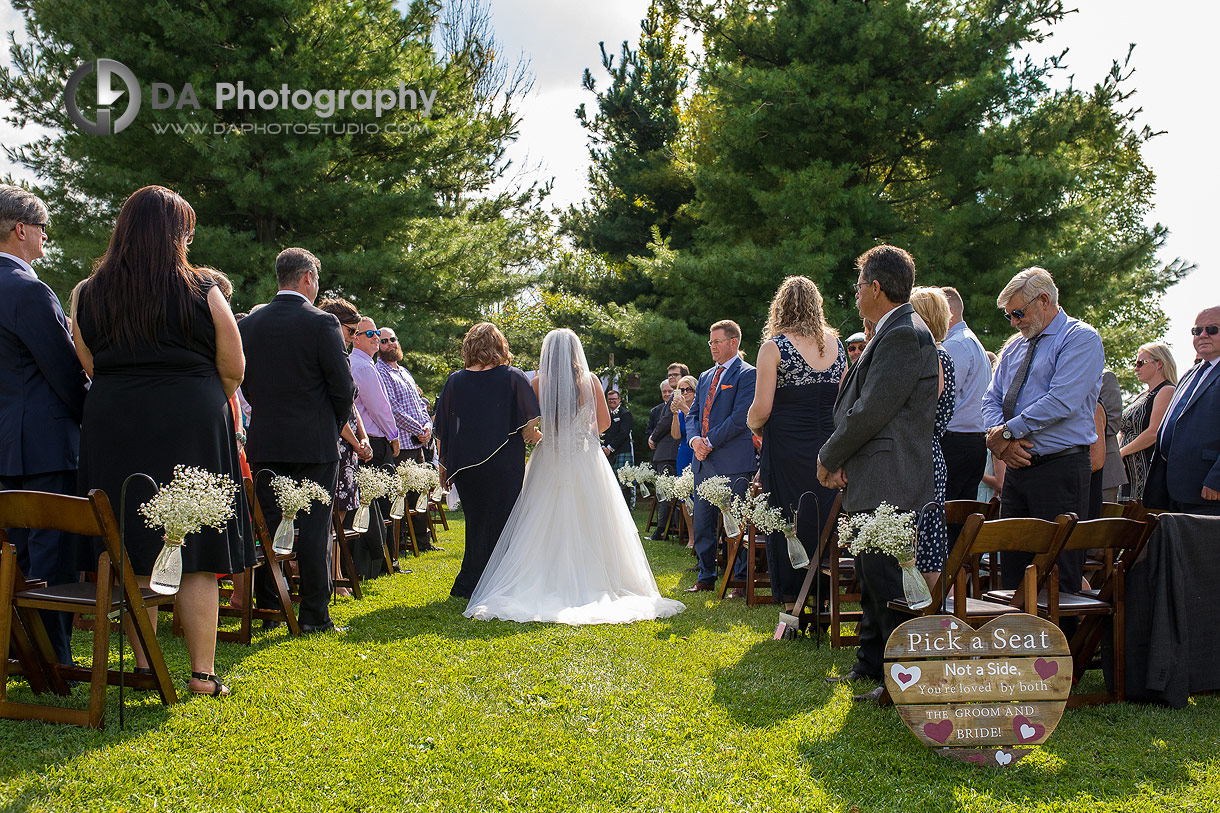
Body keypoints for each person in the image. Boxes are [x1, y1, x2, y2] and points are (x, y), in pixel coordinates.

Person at [72, 185, 253, 695]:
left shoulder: (87, 293)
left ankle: (147, 668)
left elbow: (88, 363)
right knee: (197, 550)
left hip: (113, 424)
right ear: (174, 235)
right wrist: (193, 397)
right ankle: (202, 674)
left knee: (130, 544)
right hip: (191, 423)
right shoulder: (203, 290)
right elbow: (234, 368)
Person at [464, 329, 685, 624]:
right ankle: (595, 578)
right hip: (583, 457)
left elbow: (526, 425)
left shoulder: (537, 383)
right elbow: (604, 423)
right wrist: (581, 432)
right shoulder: (589, 381)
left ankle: (543, 577)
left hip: (549, 456)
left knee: (540, 516)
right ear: (574, 351)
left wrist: (547, 434)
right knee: (592, 516)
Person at [817, 245, 938, 697]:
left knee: (887, 578)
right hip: (873, 471)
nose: (854, 294)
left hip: (892, 474)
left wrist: (829, 456)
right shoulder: (890, 331)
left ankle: (899, 677)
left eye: (858, 285)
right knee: (868, 574)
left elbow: (872, 410)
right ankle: (870, 664)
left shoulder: (905, 333)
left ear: (876, 287)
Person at [240, 247, 355, 635]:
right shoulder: (321, 323)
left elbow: (246, 384)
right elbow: (343, 386)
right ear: (307, 277)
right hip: (314, 442)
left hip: (267, 440)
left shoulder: (250, 325)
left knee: (271, 524)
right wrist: (331, 422)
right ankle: (313, 616)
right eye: (317, 279)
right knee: (314, 528)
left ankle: (271, 602)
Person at [0, 185, 88, 665]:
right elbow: (65, 371)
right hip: (44, 447)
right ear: (20, 229)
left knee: (12, 562)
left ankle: (18, 652)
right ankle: (53, 658)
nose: (46, 238)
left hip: (5, 446)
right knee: (50, 561)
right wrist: (92, 420)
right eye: (43, 229)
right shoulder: (28, 289)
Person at [982, 267, 1104, 611]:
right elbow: (991, 399)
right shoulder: (1015, 348)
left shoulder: (1080, 338)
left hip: (1060, 468)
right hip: (1019, 469)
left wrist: (1007, 433)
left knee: (1058, 573)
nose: (1013, 323)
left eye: (1017, 313)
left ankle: (1058, 657)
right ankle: (1021, 653)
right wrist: (1000, 439)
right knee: (1014, 569)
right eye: (1008, 315)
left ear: (1045, 300)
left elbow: (1062, 400)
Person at [747, 276, 845, 610]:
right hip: (828, 446)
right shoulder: (836, 345)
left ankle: (792, 601)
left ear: (781, 306)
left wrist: (752, 424)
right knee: (822, 519)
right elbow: (843, 404)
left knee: (789, 518)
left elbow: (762, 408)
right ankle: (822, 599)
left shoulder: (774, 347)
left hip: (787, 448)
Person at [434, 323, 541, 599]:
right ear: (500, 346)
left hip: (468, 467)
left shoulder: (455, 381)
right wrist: (537, 439)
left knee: (476, 522)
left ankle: (468, 583)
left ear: (469, 346)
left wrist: (443, 466)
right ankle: (499, 583)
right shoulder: (514, 377)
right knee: (505, 522)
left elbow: (442, 429)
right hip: (505, 463)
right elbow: (530, 422)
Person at [686, 320, 757, 596]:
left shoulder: (747, 374)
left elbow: (741, 417)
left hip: (733, 462)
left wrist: (710, 441)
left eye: (717, 342)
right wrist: (695, 441)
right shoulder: (705, 376)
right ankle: (706, 575)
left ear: (733, 343)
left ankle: (739, 579)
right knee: (703, 521)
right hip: (704, 462)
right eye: (711, 342)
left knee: (734, 522)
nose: (712, 347)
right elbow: (693, 414)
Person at [1143, 307, 1220, 514]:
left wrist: (1217, 479)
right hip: (1172, 488)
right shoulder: (1191, 373)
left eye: (1212, 329)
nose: (1203, 335)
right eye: (1197, 331)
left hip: (1208, 491)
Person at [377, 325, 438, 553]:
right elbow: (392, 409)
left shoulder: (404, 371)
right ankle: (401, 543)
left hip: (419, 442)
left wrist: (427, 427)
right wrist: (418, 429)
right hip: (400, 445)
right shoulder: (380, 372)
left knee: (420, 494)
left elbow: (420, 405)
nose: (390, 344)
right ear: (378, 346)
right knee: (400, 497)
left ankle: (422, 541)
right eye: (384, 341)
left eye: (393, 339)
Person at [908, 286, 956, 576]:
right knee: (928, 541)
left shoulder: (931, 357)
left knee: (922, 545)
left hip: (920, 456)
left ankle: (929, 616)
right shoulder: (944, 356)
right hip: (932, 453)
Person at [938, 286, 990, 501]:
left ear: (947, 311)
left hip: (956, 443)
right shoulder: (971, 341)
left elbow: (942, 396)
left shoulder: (955, 345)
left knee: (947, 515)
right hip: (973, 442)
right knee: (960, 515)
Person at [1118, 343, 1176, 501]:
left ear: (1159, 364)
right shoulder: (1141, 395)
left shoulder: (1167, 390)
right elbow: (1123, 430)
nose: (1136, 368)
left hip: (1147, 476)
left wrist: (1121, 453)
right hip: (1128, 477)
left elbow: (1154, 432)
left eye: (1140, 363)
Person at [1088, 369, 1127, 515]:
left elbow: (1113, 422)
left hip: (1106, 470)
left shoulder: (1105, 376)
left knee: (1101, 529)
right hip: (1078, 468)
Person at [645, 378, 679, 539]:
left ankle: (662, 529)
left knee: (667, 492)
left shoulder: (676, 401)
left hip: (670, 452)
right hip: (661, 453)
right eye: (664, 392)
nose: (666, 394)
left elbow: (665, 424)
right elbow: (651, 427)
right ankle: (664, 526)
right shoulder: (656, 410)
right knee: (663, 492)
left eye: (669, 391)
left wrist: (654, 438)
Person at [601, 390, 634, 506]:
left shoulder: (625, 414)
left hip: (621, 452)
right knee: (609, 482)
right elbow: (602, 431)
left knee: (625, 483)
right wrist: (603, 446)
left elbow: (623, 433)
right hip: (606, 453)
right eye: (610, 399)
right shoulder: (605, 415)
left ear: (619, 400)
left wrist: (610, 448)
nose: (612, 401)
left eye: (614, 399)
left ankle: (627, 508)